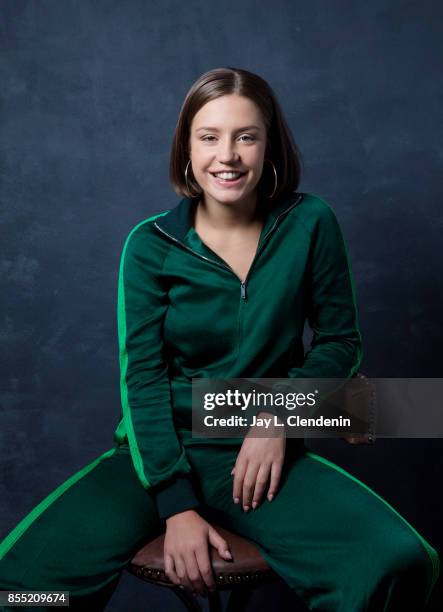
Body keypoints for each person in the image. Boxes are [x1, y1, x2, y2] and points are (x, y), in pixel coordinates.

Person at [0, 66, 440, 611]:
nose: (227, 155)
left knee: (397, 561)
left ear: (269, 147)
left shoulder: (311, 223)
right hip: (162, 449)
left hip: (260, 453)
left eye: (245, 137)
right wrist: (176, 505)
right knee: (20, 591)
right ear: (186, 148)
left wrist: (280, 413)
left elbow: (339, 341)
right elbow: (143, 381)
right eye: (209, 137)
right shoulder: (149, 245)